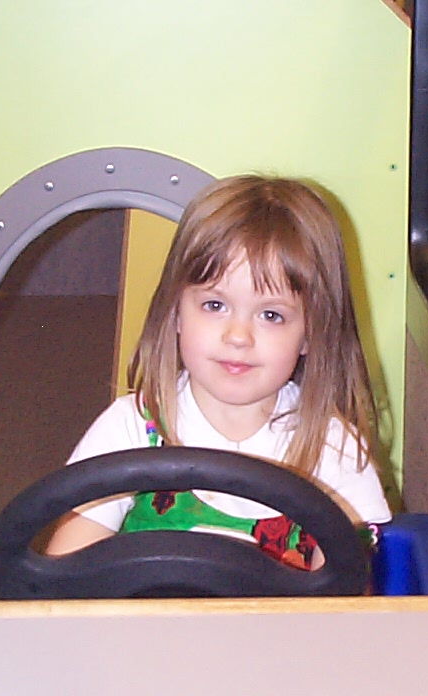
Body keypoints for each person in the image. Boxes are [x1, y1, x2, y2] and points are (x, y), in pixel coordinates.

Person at [45, 175, 391, 572]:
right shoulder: (132, 429)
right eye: (214, 306)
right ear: (176, 311)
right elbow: (64, 574)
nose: (238, 336)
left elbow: (347, 595)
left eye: (271, 315)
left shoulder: (333, 449)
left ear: (311, 333)